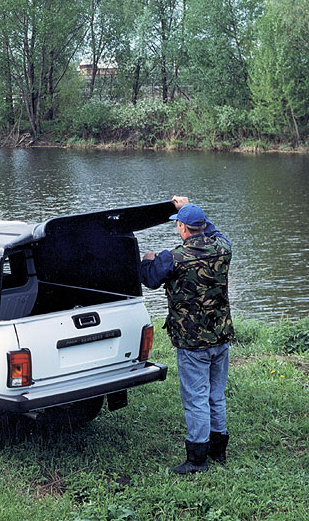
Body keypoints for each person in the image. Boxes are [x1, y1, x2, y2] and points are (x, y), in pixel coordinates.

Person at [140, 196, 233, 474]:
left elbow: (150, 280)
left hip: (192, 342)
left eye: (178, 225)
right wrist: (189, 208)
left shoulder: (173, 258)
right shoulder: (223, 249)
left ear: (181, 228)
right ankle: (219, 452)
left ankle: (197, 459)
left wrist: (147, 261)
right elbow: (215, 232)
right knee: (216, 395)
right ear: (202, 227)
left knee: (195, 398)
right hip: (220, 337)